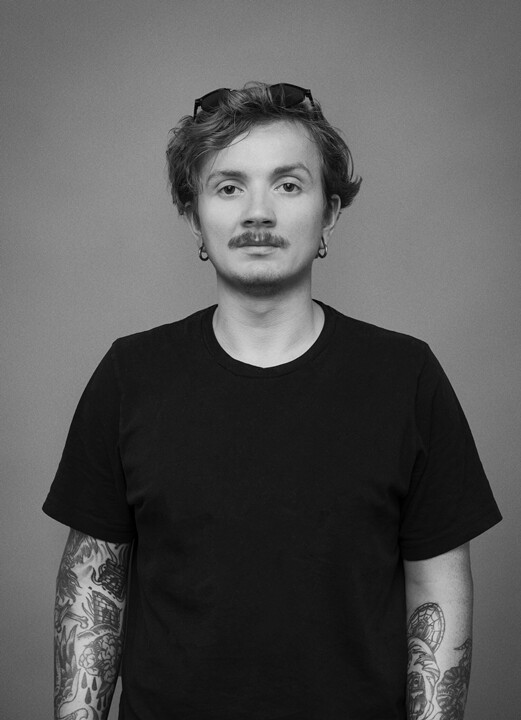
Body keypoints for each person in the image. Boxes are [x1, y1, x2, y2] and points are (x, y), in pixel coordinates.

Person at [43, 82, 502, 720]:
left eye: (288, 185)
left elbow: (436, 592)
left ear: (330, 213)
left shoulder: (407, 377)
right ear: (194, 216)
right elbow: (94, 591)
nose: (258, 212)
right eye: (229, 187)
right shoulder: (130, 375)